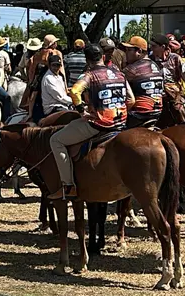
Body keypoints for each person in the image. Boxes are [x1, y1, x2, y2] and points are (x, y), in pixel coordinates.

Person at [49, 44, 133, 200]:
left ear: (87, 61)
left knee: (56, 140)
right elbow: (131, 99)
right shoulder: (119, 74)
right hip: (121, 122)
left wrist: (82, 111)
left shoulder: (88, 75)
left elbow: (74, 92)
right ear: (102, 57)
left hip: (99, 124)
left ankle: (68, 186)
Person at [121, 36, 164, 128]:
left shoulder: (131, 69)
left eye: (129, 50)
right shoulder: (156, 66)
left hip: (139, 114)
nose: (126, 53)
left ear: (139, 52)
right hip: (158, 113)